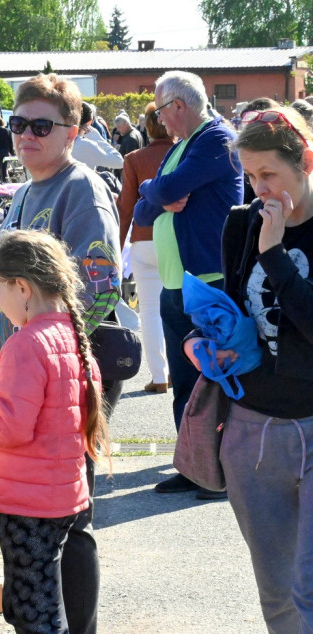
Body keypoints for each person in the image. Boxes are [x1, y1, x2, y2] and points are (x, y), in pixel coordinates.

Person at [0, 73, 123, 634]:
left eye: (41, 126)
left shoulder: (81, 189)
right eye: (18, 124)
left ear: (72, 132)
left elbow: (102, 283)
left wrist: (54, 359)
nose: (27, 136)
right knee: (37, 518)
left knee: (69, 516)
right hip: (27, 374)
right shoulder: (23, 193)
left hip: (65, 377)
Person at [187, 106, 313, 632]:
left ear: (305, 161)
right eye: (251, 175)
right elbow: (234, 308)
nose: (260, 188)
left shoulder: (268, 233)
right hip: (251, 426)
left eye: (270, 175)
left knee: (309, 587)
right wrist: (202, 344)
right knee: (279, 590)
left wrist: (277, 254)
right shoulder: (241, 223)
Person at [0, 229, 108, 634]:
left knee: (33, 611)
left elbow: (8, 426)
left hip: (27, 501)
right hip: (60, 493)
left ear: (21, 287)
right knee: (38, 597)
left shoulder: (27, 344)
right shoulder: (71, 337)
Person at [132, 70, 244, 497]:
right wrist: (155, 193)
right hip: (176, 282)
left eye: (161, 110)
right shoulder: (181, 146)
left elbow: (165, 190)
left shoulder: (217, 139)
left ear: (178, 105)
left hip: (208, 279)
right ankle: (194, 465)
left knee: (213, 377)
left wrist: (153, 190)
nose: (159, 120)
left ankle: (219, 472)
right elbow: (144, 213)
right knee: (183, 380)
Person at [118, 102, 173, 394]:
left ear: (147, 127)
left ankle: (160, 375)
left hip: (143, 240)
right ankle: (179, 369)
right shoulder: (185, 154)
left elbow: (125, 209)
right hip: (178, 240)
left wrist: (116, 247)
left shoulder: (134, 158)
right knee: (179, 308)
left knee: (150, 310)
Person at [0, 117, 14, 183]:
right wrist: (12, 152)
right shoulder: (7, 131)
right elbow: (10, 142)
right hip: (5, 151)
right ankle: (4, 180)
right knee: (4, 167)